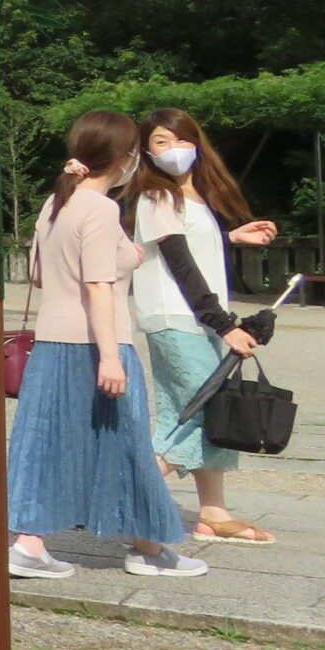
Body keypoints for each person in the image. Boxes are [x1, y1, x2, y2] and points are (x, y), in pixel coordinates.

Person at [8, 109, 209, 582]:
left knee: (46, 442)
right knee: (127, 440)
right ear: (124, 158)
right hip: (99, 343)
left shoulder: (56, 203)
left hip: (54, 341)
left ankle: (29, 543)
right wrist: (112, 358)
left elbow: (40, 273)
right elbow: (97, 286)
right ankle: (148, 547)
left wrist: (124, 258)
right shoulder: (101, 208)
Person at [131, 107, 282, 545]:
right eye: (161, 141)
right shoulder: (156, 196)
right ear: (146, 150)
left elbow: (190, 248)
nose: (173, 150)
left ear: (197, 143)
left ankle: (213, 513)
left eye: (180, 140)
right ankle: (135, 504)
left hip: (195, 321)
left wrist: (230, 236)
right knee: (202, 411)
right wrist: (225, 324)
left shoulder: (194, 197)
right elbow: (181, 267)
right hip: (177, 319)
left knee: (200, 410)